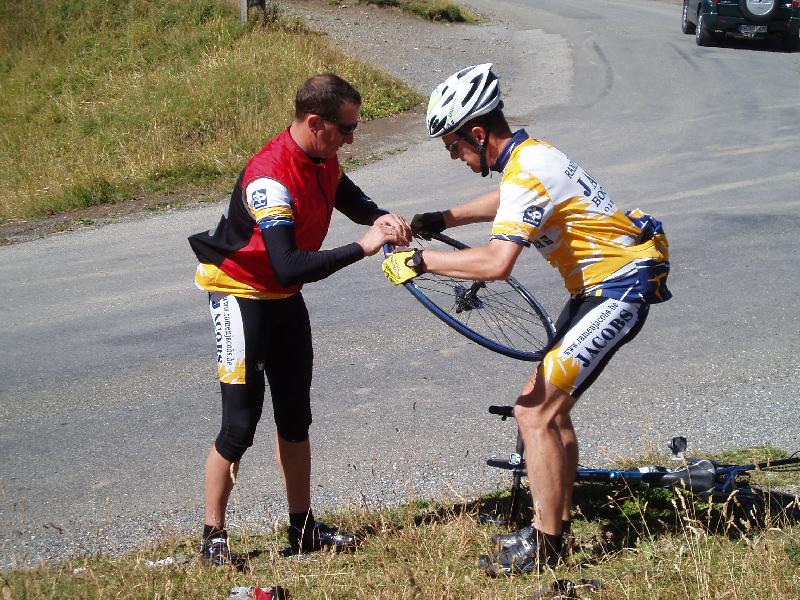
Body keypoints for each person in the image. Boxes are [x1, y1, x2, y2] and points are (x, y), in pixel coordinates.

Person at [382, 64, 671, 575]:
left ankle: (546, 543)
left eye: (453, 146)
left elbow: (496, 263)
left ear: (476, 133)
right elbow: (506, 201)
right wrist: (442, 220)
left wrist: (421, 261)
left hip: (618, 290)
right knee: (550, 413)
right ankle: (552, 529)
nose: (453, 156)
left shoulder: (527, 167)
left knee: (533, 412)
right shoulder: (532, 155)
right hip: (599, 290)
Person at [189, 72, 411, 565]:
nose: (352, 139)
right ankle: (212, 537)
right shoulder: (270, 178)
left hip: (282, 297)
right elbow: (289, 261)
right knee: (239, 426)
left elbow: (345, 194)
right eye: (347, 129)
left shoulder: (321, 156)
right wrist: (364, 246)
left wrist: (380, 218)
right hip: (239, 296)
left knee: (295, 418)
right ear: (316, 122)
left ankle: (303, 528)